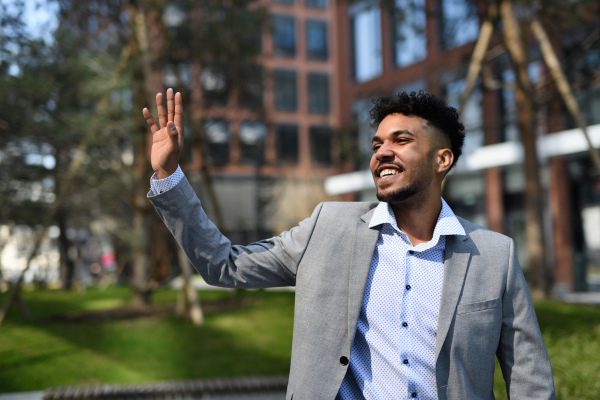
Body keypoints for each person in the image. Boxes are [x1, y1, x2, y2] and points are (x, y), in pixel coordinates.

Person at [142, 89, 555, 400]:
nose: (382, 153)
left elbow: (529, 378)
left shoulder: (494, 255)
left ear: (442, 159)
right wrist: (169, 177)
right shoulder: (328, 227)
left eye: (401, 140)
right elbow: (224, 266)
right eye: (376, 145)